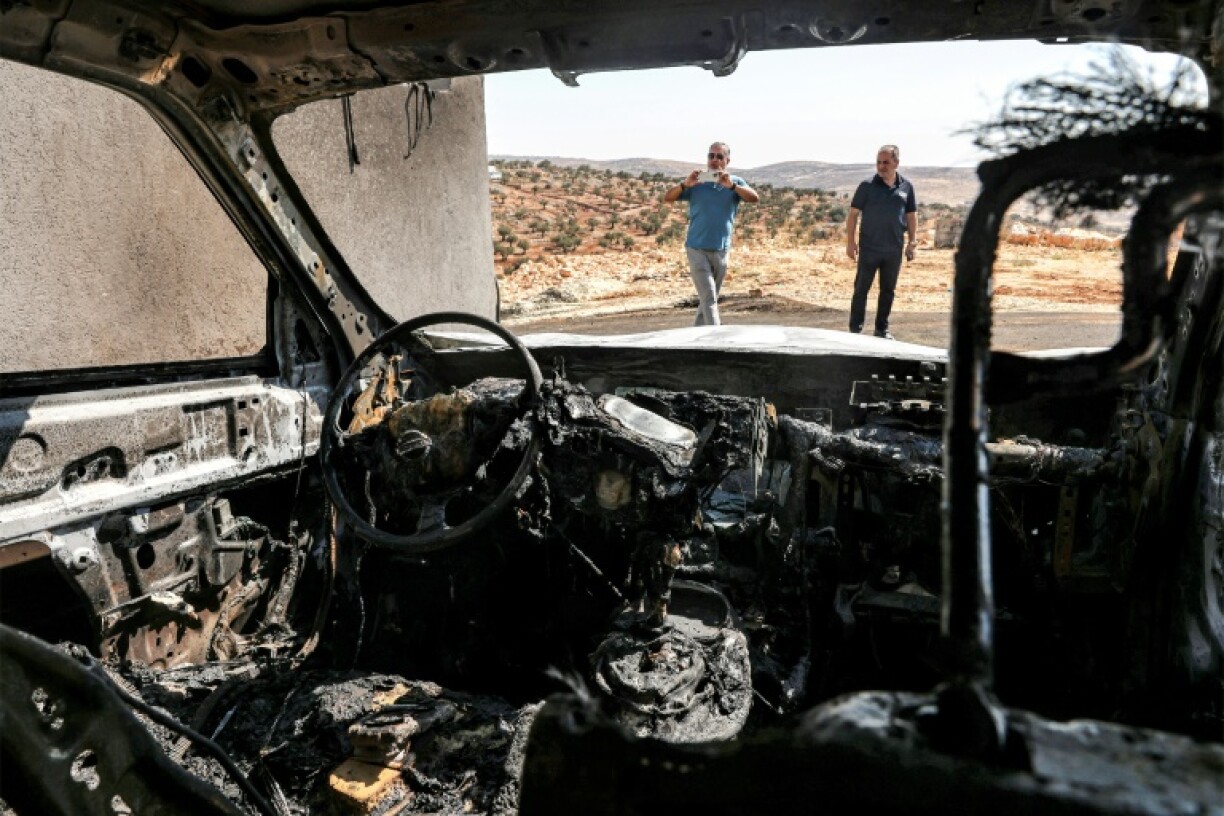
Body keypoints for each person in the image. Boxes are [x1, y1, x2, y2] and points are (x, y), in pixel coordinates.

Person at [663, 142, 760, 326]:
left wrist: (732, 187)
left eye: (719, 157)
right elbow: (668, 198)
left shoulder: (735, 182)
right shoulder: (696, 182)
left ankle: (697, 339)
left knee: (708, 298)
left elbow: (754, 198)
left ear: (727, 161)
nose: (714, 160)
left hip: (721, 250)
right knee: (709, 298)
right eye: (711, 156)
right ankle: (716, 339)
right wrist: (685, 184)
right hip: (696, 248)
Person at [845, 144, 918, 340]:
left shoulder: (906, 187)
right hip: (869, 248)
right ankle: (855, 329)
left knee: (888, 290)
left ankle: (882, 329)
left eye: (886, 162)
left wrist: (913, 241)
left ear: (896, 163)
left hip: (894, 248)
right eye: (878, 162)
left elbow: (911, 216)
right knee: (861, 289)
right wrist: (850, 243)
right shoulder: (867, 186)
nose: (881, 166)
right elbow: (852, 215)